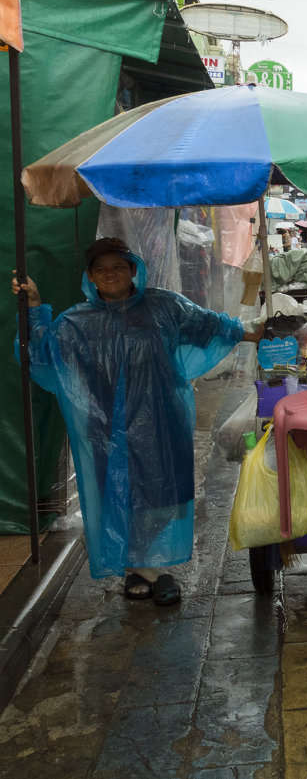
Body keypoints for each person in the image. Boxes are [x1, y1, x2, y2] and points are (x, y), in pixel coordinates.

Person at [12, 237, 263, 606]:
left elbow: (208, 324)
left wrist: (255, 333)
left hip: (162, 419)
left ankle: (140, 567)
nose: (110, 273)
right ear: (91, 277)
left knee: (165, 495)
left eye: (118, 266)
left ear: (133, 271)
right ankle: (150, 572)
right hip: (104, 428)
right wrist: (34, 305)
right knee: (120, 495)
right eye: (102, 269)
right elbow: (40, 351)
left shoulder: (164, 305)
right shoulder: (77, 322)